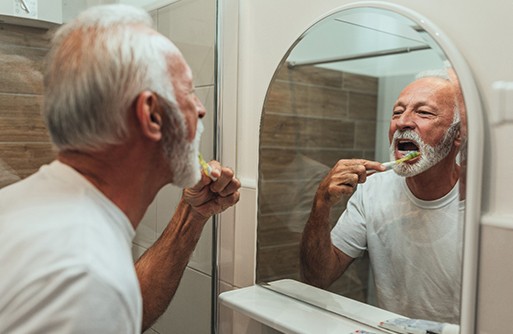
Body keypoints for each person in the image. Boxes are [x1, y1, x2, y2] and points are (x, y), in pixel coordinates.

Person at [0, 4, 240, 333]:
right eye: (187, 91)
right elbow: (98, 294)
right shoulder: (84, 275)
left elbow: (121, 308)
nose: (200, 110)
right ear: (151, 115)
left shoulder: (30, 204)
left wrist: (190, 215)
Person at [300, 71, 463, 324]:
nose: (403, 122)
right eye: (397, 112)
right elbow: (317, 277)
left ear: (458, 135)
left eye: (424, 113)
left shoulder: (480, 202)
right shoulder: (372, 190)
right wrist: (321, 203)